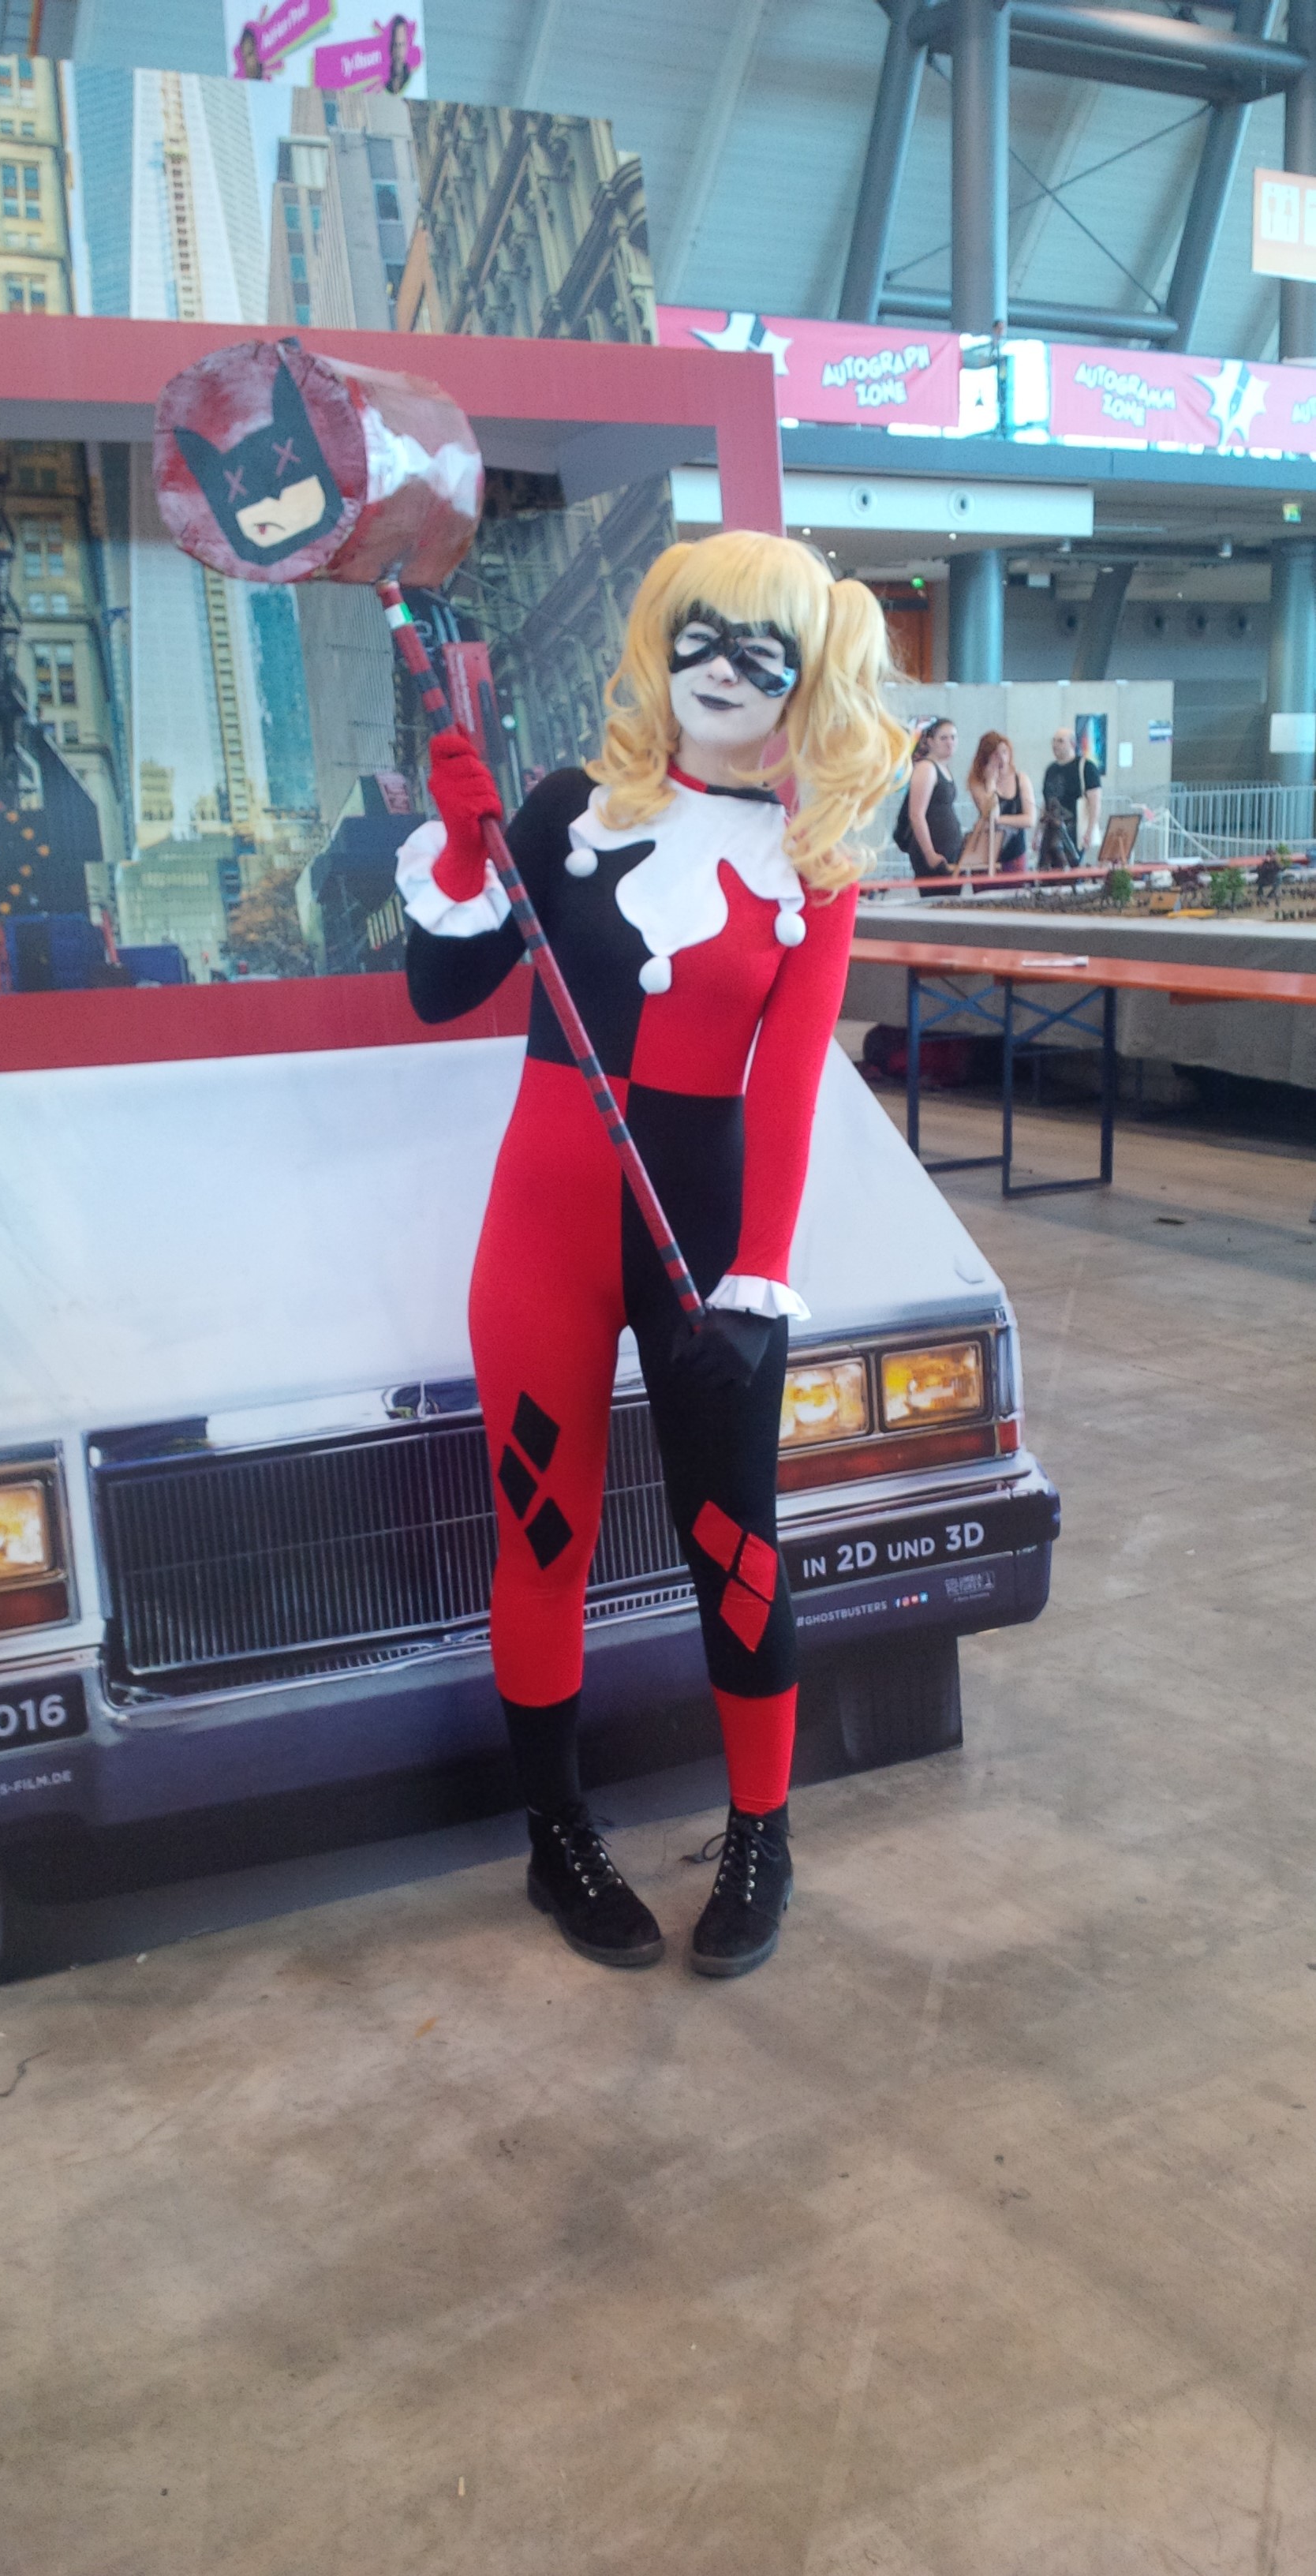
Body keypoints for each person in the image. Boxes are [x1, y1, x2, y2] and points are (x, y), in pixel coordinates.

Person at [397, 534, 906, 1978]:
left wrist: (759, 1275)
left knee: (733, 1542)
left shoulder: (814, 861)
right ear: (657, 641)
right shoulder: (566, 811)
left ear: (806, 677)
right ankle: (556, 1836)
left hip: (708, 1247)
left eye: (762, 649)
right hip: (544, 1230)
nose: (724, 670)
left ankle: (762, 1834)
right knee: (542, 1535)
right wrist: (462, 845)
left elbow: (791, 1087)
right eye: (701, 635)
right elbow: (440, 987)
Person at [894, 716, 963, 894]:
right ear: (930, 742)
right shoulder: (927, 768)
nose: (950, 742)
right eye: (944, 738)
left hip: (949, 853)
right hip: (933, 855)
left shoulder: (943, 768)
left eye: (953, 737)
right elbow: (916, 814)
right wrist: (930, 853)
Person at [966, 730, 1034, 876]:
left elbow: (1029, 820)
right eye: (996, 755)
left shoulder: (1021, 779)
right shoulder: (977, 782)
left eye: (1004, 752)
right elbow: (991, 813)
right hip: (987, 853)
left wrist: (999, 821)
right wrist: (991, 784)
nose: (1002, 759)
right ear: (986, 758)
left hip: (1015, 851)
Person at [1042, 727, 1102, 863]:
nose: (1055, 745)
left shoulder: (1087, 767)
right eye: (1054, 741)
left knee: (1070, 867)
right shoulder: (1051, 770)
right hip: (1051, 831)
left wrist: (1089, 831)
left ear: (1073, 744)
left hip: (1074, 832)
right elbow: (1046, 802)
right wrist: (1038, 833)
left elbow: (1095, 803)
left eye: (1060, 741)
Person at [384, 13, 413, 91]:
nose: (399, 51)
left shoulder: (409, 76)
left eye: (402, 44)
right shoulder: (385, 79)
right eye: (395, 45)